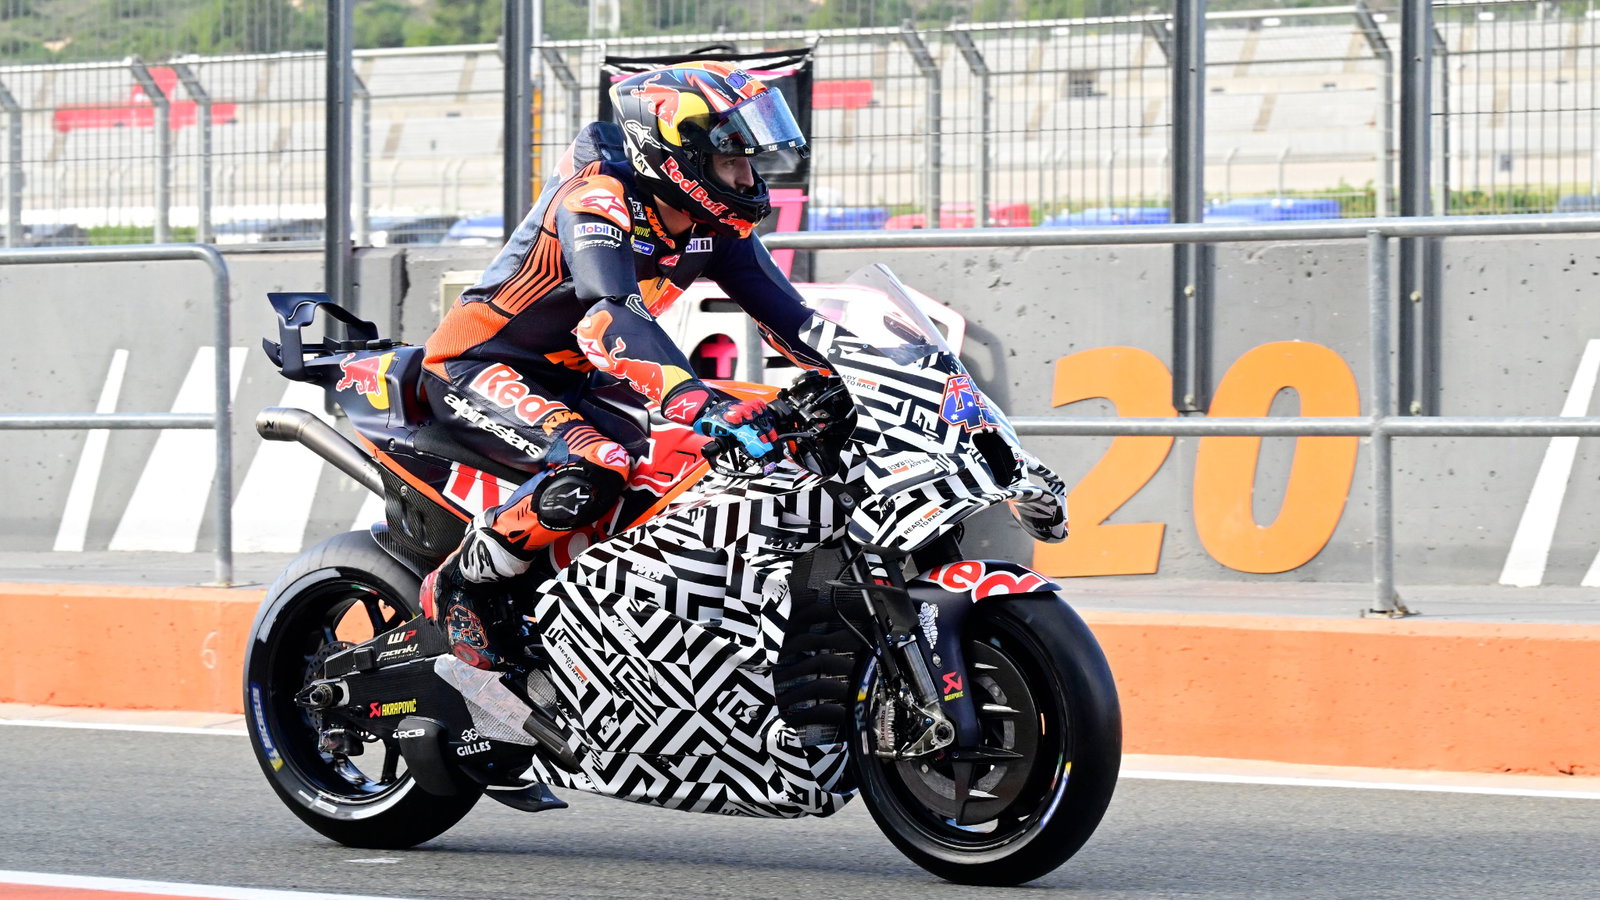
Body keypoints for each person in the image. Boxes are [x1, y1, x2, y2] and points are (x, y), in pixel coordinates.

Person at [419, 61, 828, 671]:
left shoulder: (717, 227)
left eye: (751, 159)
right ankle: (465, 584)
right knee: (598, 467)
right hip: (482, 362)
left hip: (580, 375)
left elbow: (795, 322)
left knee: (683, 473)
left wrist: (869, 372)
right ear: (677, 155)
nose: (749, 176)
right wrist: (694, 399)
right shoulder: (598, 198)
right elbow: (609, 312)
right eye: (731, 160)